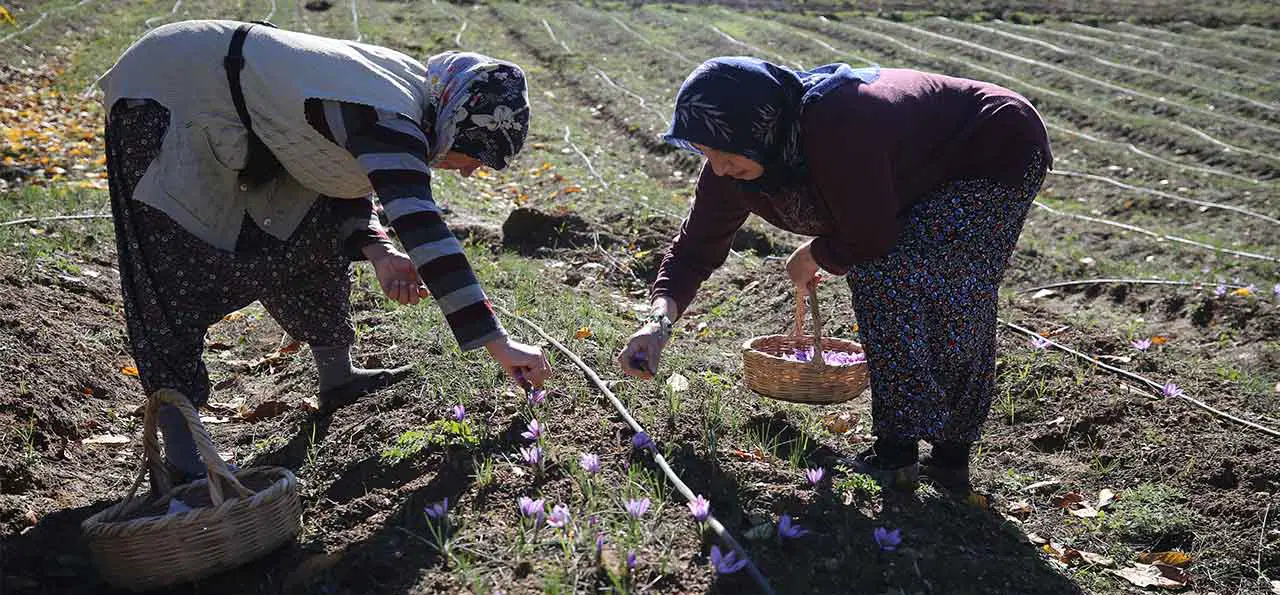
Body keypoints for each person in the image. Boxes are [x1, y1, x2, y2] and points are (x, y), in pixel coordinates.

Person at [100, 20, 551, 482]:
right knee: (171, 264)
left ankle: (338, 378)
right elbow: (424, 229)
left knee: (310, 230)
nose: (473, 172)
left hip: (228, 102)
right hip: (166, 90)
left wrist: (377, 250)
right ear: (458, 124)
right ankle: (181, 450)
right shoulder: (390, 115)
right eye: (477, 155)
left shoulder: (408, 101)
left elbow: (335, 172)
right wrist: (498, 343)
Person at [618, 57, 1051, 490]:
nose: (717, 167)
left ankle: (922, 455)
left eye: (724, 152)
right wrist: (658, 324)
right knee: (900, 274)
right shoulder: (734, 163)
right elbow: (693, 250)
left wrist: (813, 255)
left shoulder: (835, 125)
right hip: (917, 168)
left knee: (932, 282)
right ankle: (923, 455)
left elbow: (871, 237)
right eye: (705, 153)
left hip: (992, 145)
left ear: (762, 128)